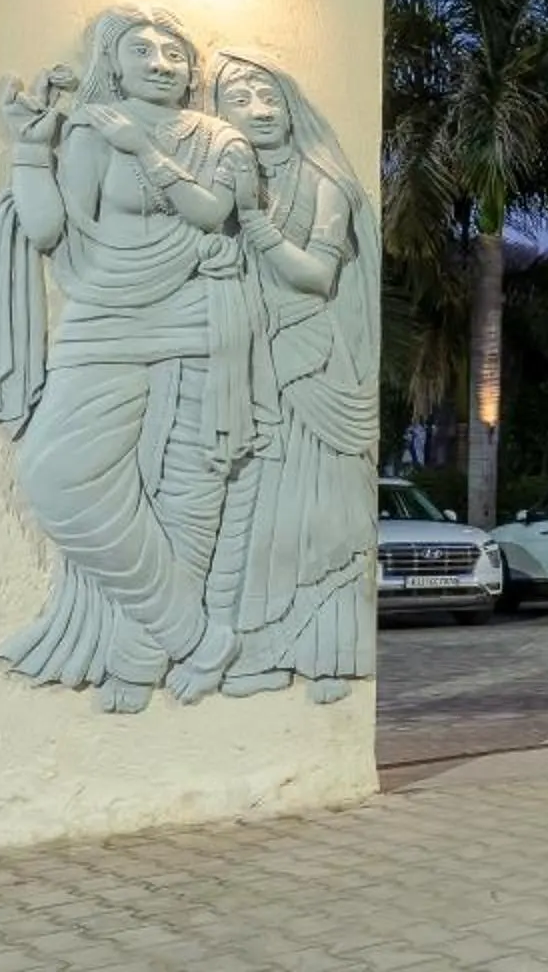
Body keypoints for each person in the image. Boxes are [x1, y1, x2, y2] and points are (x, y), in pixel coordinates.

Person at [0, 4, 275, 712]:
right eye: (143, 51)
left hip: (199, 318)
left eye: (173, 52)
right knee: (53, 477)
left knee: (189, 490)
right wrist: (28, 148)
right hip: (103, 314)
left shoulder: (220, 139)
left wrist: (143, 150)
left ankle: (140, 659)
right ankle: (196, 637)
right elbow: (50, 228)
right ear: (114, 61)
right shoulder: (89, 129)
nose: (162, 63)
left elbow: (209, 215)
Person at [207, 51, 379, 702]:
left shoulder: (322, 182)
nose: (258, 108)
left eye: (268, 95)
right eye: (239, 99)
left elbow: (317, 276)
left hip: (310, 361)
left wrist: (252, 221)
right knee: (257, 511)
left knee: (320, 513)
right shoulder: (220, 179)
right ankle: (255, 649)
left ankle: (328, 652)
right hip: (251, 360)